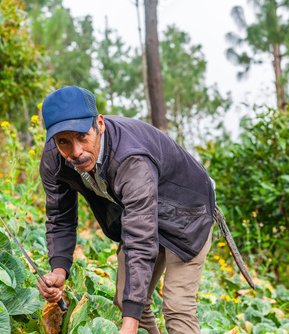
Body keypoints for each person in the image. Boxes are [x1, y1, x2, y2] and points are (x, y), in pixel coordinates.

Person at [36, 86, 216, 334]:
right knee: (126, 301)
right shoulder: (55, 158)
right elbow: (59, 217)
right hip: (138, 212)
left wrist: (129, 326)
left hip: (187, 214)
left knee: (176, 307)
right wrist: (59, 270)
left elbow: (141, 239)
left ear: (99, 124)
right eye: (63, 141)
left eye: (82, 137)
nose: (75, 152)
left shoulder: (131, 159)